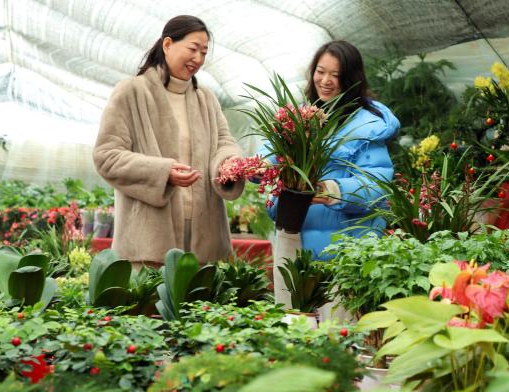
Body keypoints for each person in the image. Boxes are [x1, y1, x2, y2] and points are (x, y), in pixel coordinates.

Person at [93, 15, 244, 266]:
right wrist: (162, 172)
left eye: (204, 52)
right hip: (148, 240)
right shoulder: (132, 92)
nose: (198, 59)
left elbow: (224, 143)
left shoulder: (206, 99)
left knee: (202, 304)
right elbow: (107, 155)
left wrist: (229, 163)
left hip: (205, 238)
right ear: (167, 45)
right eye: (193, 49)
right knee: (151, 304)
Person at [265, 40, 400, 308]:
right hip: (293, 237)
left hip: (344, 246)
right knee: (291, 328)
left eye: (335, 75)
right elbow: (269, 156)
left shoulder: (367, 126)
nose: (325, 80)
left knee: (336, 333)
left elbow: (376, 187)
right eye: (320, 71)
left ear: (351, 79)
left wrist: (332, 190)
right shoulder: (300, 117)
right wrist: (258, 167)